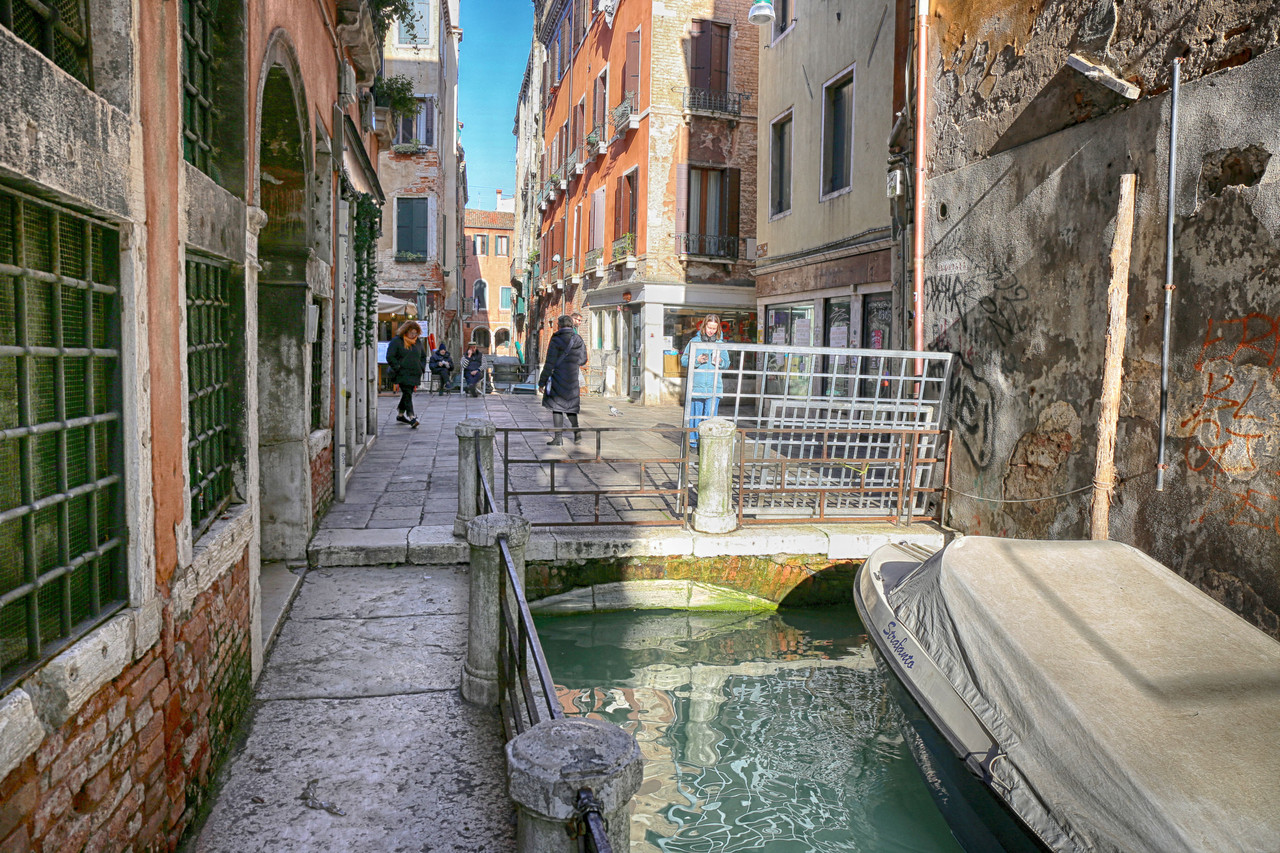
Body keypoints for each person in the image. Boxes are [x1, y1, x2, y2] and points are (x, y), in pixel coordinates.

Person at [680, 313, 730, 449]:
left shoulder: (720, 344)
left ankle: (706, 445)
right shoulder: (694, 342)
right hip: (697, 386)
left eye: (714, 328)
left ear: (718, 328)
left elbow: (727, 363)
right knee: (696, 417)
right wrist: (696, 360)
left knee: (710, 418)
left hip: (714, 387)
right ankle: (693, 444)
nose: (711, 331)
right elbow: (683, 361)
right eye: (709, 328)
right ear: (704, 326)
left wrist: (720, 361)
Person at [537, 314, 588, 445]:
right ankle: (576, 432)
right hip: (572, 378)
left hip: (557, 377)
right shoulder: (578, 339)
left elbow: (549, 362)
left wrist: (542, 382)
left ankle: (558, 438)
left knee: (557, 407)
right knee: (571, 406)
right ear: (571, 324)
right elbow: (583, 360)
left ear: (559, 325)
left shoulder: (556, 339)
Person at [386, 320, 426, 428]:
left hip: (414, 372)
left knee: (408, 393)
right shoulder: (397, 341)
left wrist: (421, 367)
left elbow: (423, 356)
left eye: (415, 333)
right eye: (411, 333)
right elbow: (390, 356)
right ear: (406, 331)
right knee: (407, 392)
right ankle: (411, 417)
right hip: (402, 372)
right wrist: (397, 367)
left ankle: (400, 415)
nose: (413, 335)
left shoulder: (417, 342)